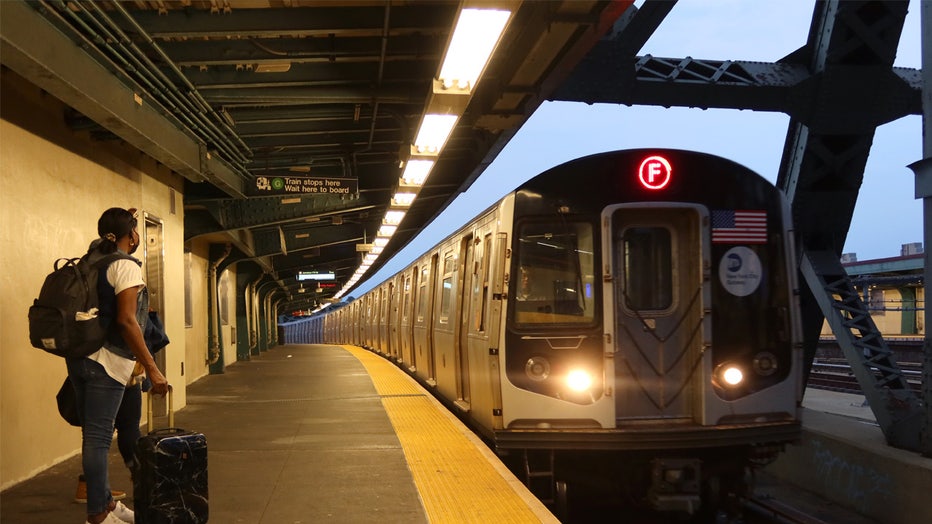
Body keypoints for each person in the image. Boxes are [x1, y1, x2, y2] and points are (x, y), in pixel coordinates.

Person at [66, 208, 170, 524]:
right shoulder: (124, 266)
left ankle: (108, 503)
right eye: (135, 231)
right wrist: (152, 367)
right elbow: (126, 320)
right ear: (131, 235)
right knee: (98, 440)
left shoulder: (91, 261)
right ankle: (98, 514)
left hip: (81, 358)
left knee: (109, 433)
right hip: (108, 363)